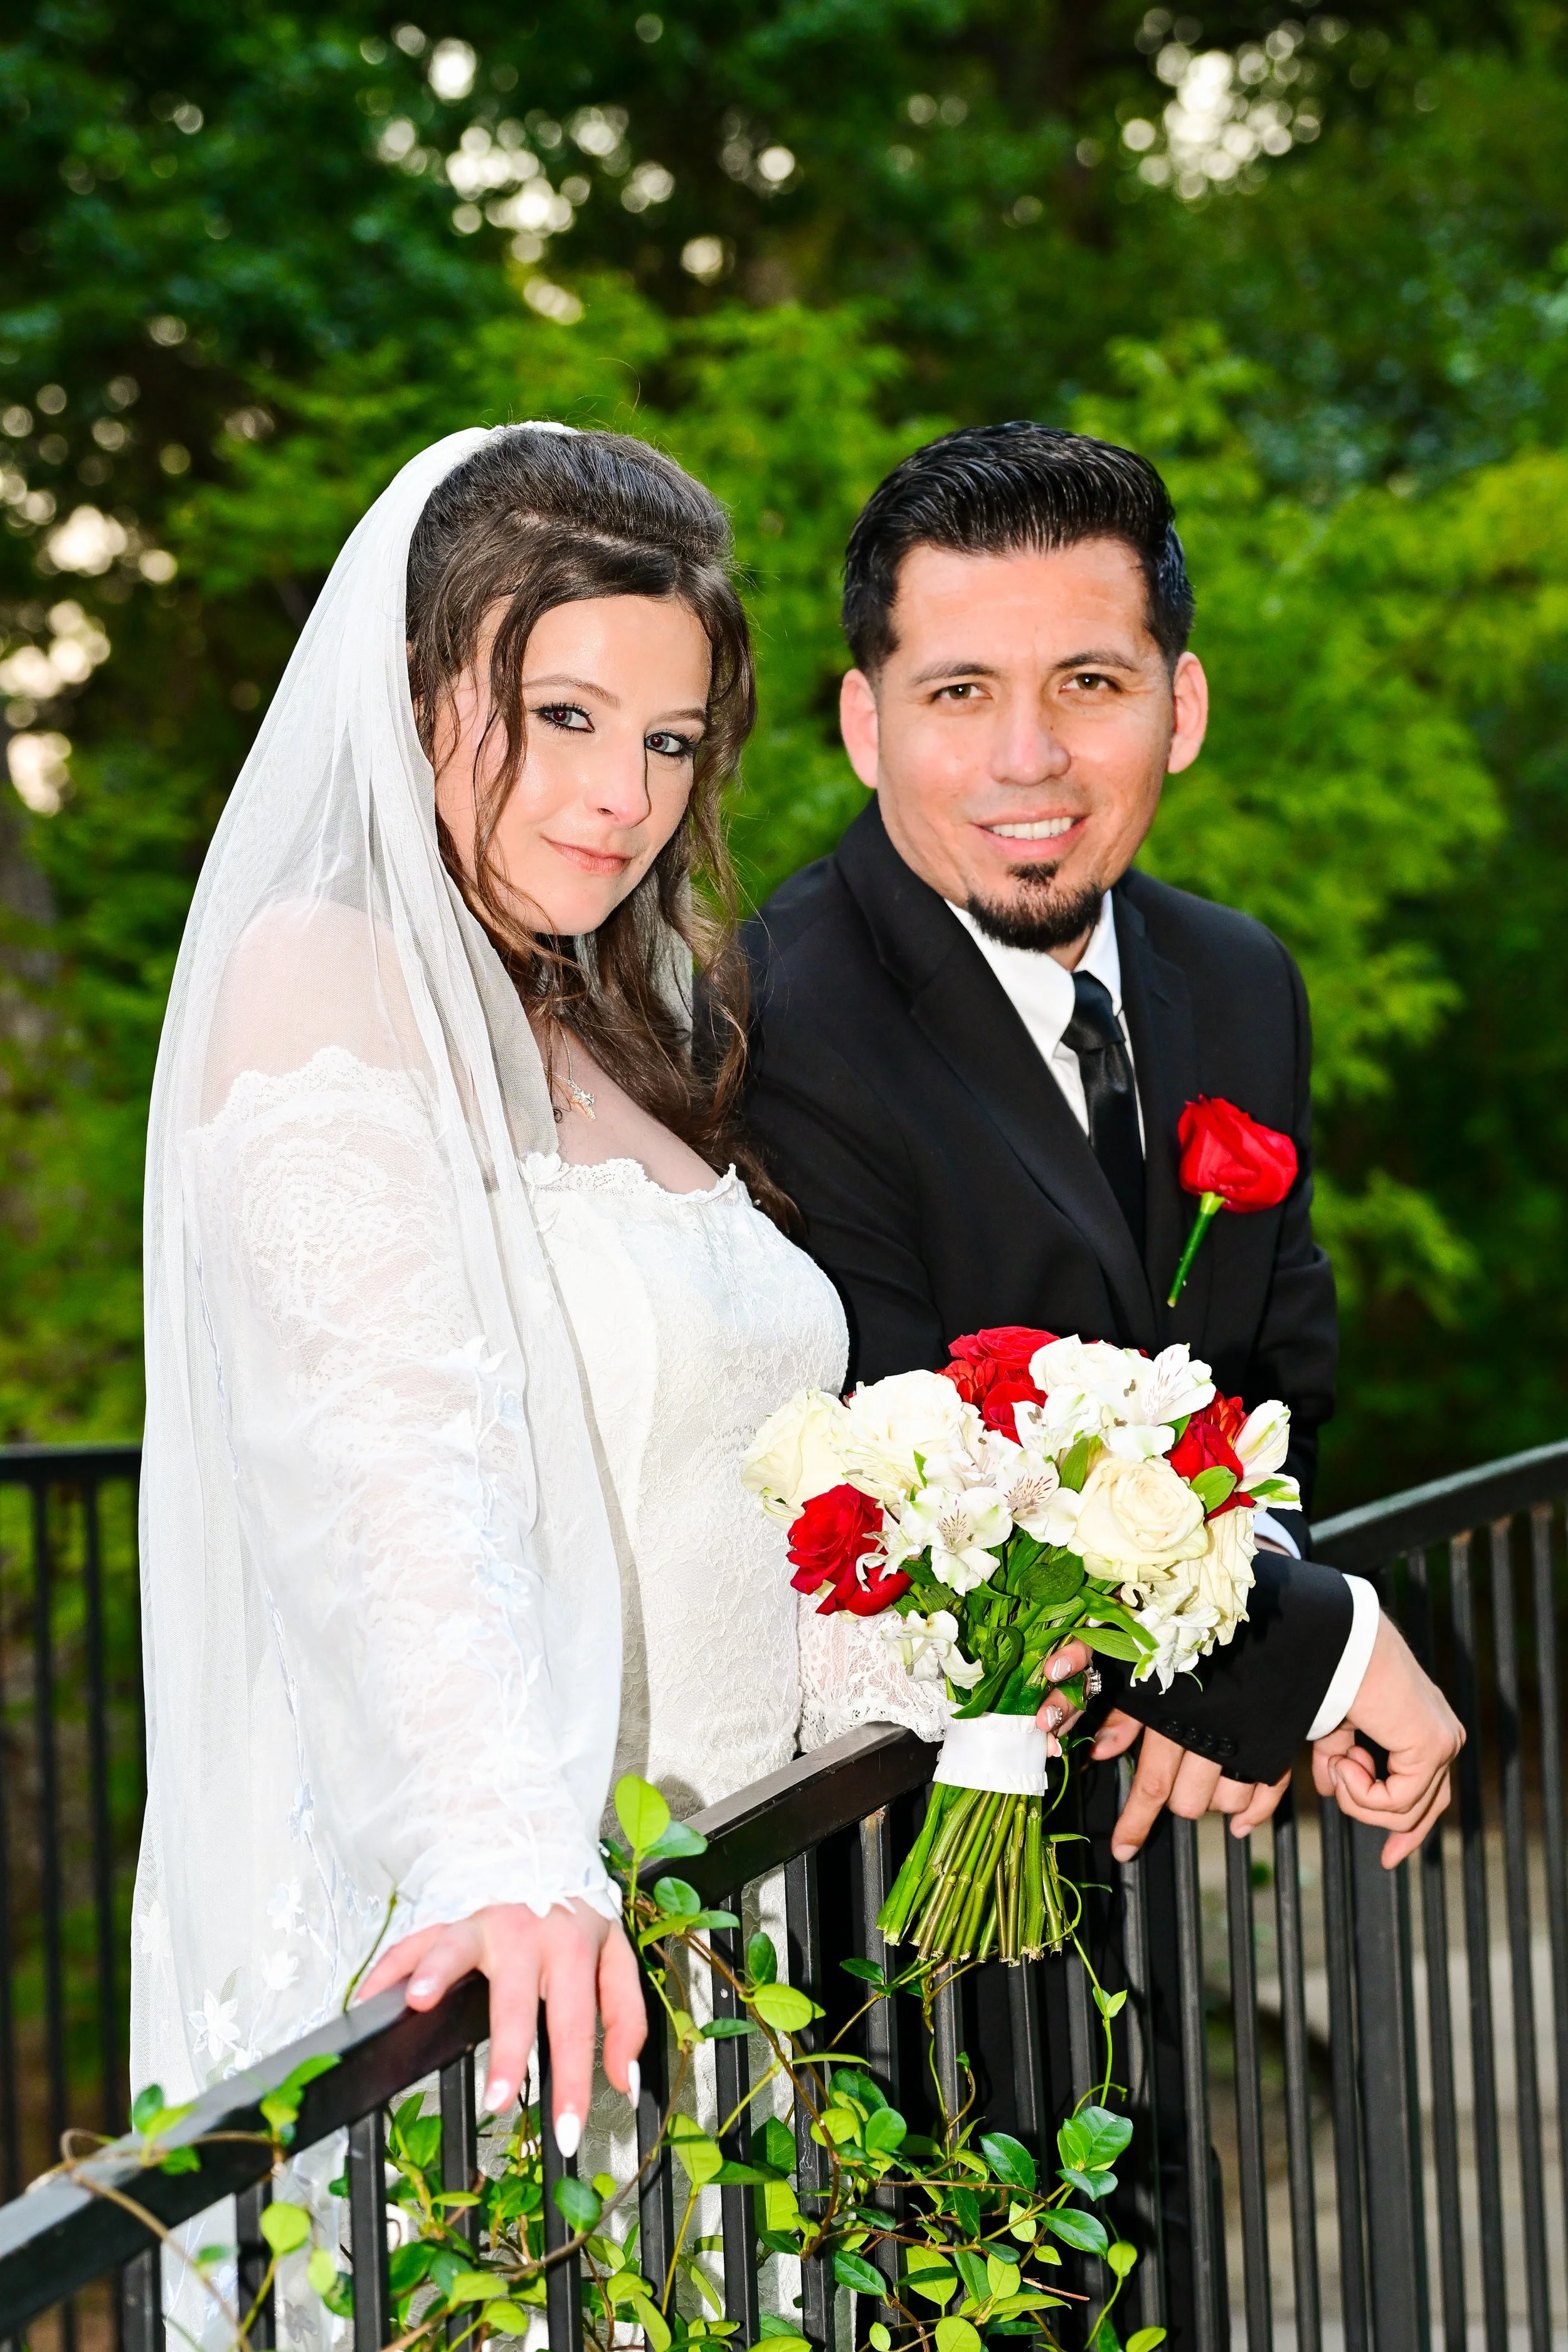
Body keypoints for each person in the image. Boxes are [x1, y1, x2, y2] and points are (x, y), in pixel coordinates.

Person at [130, 421, 879, 2237]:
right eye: (561, 714)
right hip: (512, 1950)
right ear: (414, 690)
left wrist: (937, 1646)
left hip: (730, 1943)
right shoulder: (321, 972)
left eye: (667, 738)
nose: (619, 794)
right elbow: (381, 1444)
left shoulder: (630, 1015)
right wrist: (497, 1842)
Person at [742, 423, 1463, 1867]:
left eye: (1089, 683)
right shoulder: (777, 1017)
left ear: (1179, 706)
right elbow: (918, 1456)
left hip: (1129, 1837)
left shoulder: (1238, 979)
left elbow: (1273, 1380)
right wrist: (1321, 1658)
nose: (1030, 758)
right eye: (958, 692)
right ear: (864, 724)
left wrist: (1228, 1665)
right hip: (879, 1865)